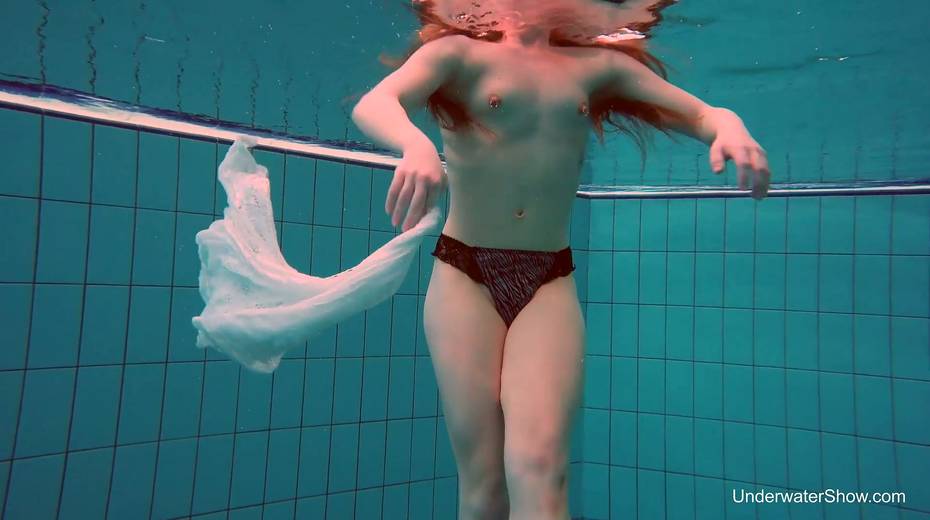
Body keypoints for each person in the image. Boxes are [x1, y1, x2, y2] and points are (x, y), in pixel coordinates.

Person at [350, 1, 771, 519]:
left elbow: (704, 114)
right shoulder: (457, 54)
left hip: (548, 279)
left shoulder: (599, 67)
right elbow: (376, 102)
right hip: (465, 275)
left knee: (543, 468)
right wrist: (415, 146)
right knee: (483, 487)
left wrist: (731, 126)